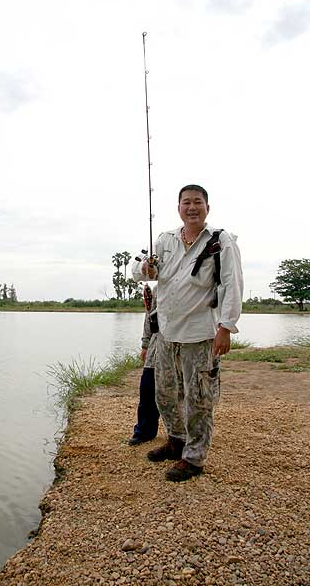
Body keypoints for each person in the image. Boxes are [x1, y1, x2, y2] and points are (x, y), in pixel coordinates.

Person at [132, 184, 243, 482]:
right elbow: (140, 273)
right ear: (178, 208)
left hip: (201, 333)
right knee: (165, 394)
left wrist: (226, 327)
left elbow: (231, 284)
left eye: (197, 202)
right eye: (186, 203)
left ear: (208, 207)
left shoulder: (221, 241)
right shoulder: (165, 240)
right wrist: (147, 269)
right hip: (166, 333)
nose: (191, 207)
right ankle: (176, 440)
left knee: (199, 398)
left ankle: (194, 458)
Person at [128, 284, 160, 446]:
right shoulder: (156, 289)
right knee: (148, 388)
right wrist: (145, 345)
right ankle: (144, 431)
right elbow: (150, 316)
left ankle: (181, 436)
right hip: (157, 343)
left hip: (185, 343)